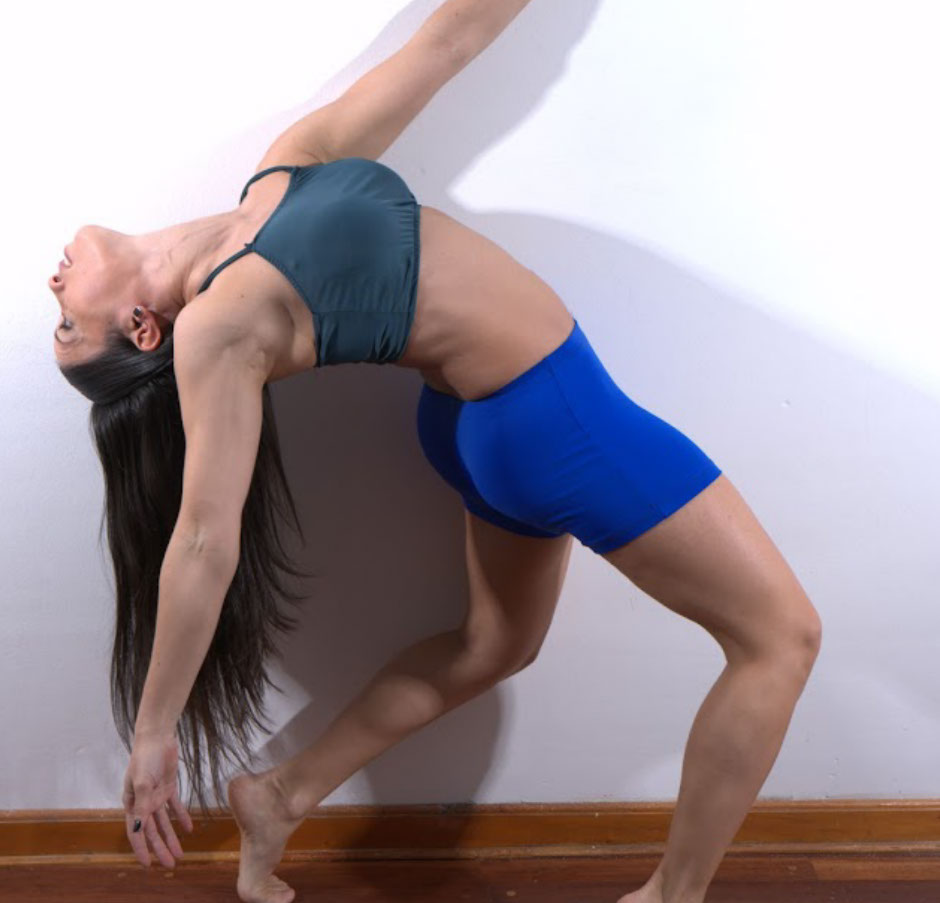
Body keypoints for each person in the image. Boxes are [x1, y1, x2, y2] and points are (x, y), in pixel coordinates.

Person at [49, 3, 822, 903]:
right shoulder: (215, 327)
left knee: (493, 643)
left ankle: (282, 793)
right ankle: (671, 897)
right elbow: (201, 539)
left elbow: (446, 42)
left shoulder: (277, 176)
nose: (53, 284)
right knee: (782, 637)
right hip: (549, 416)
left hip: (478, 425)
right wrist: (154, 732)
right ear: (142, 328)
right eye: (67, 323)